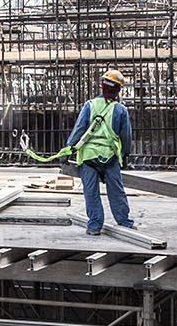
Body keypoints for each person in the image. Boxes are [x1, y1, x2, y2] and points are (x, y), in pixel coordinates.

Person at [62, 69, 135, 234]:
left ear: (102, 86)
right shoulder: (121, 110)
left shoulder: (89, 106)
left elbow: (78, 130)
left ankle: (95, 226)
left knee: (91, 192)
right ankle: (124, 223)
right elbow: (126, 136)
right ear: (118, 90)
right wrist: (125, 155)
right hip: (110, 158)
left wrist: (67, 151)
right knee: (116, 191)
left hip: (88, 158)